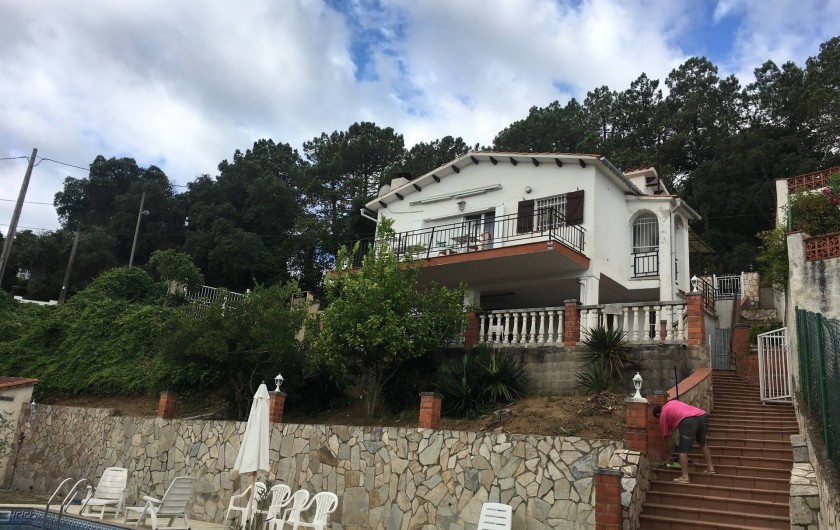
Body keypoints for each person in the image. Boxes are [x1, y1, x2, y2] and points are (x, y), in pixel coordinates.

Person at [652, 399, 715, 483]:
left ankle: (685, 477)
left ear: (658, 415)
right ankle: (711, 468)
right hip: (703, 416)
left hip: (688, 421)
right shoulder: (671, 402)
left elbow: (666, 437)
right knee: (702, 443)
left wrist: (669, 455)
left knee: (682, 450)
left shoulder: (662, 415)